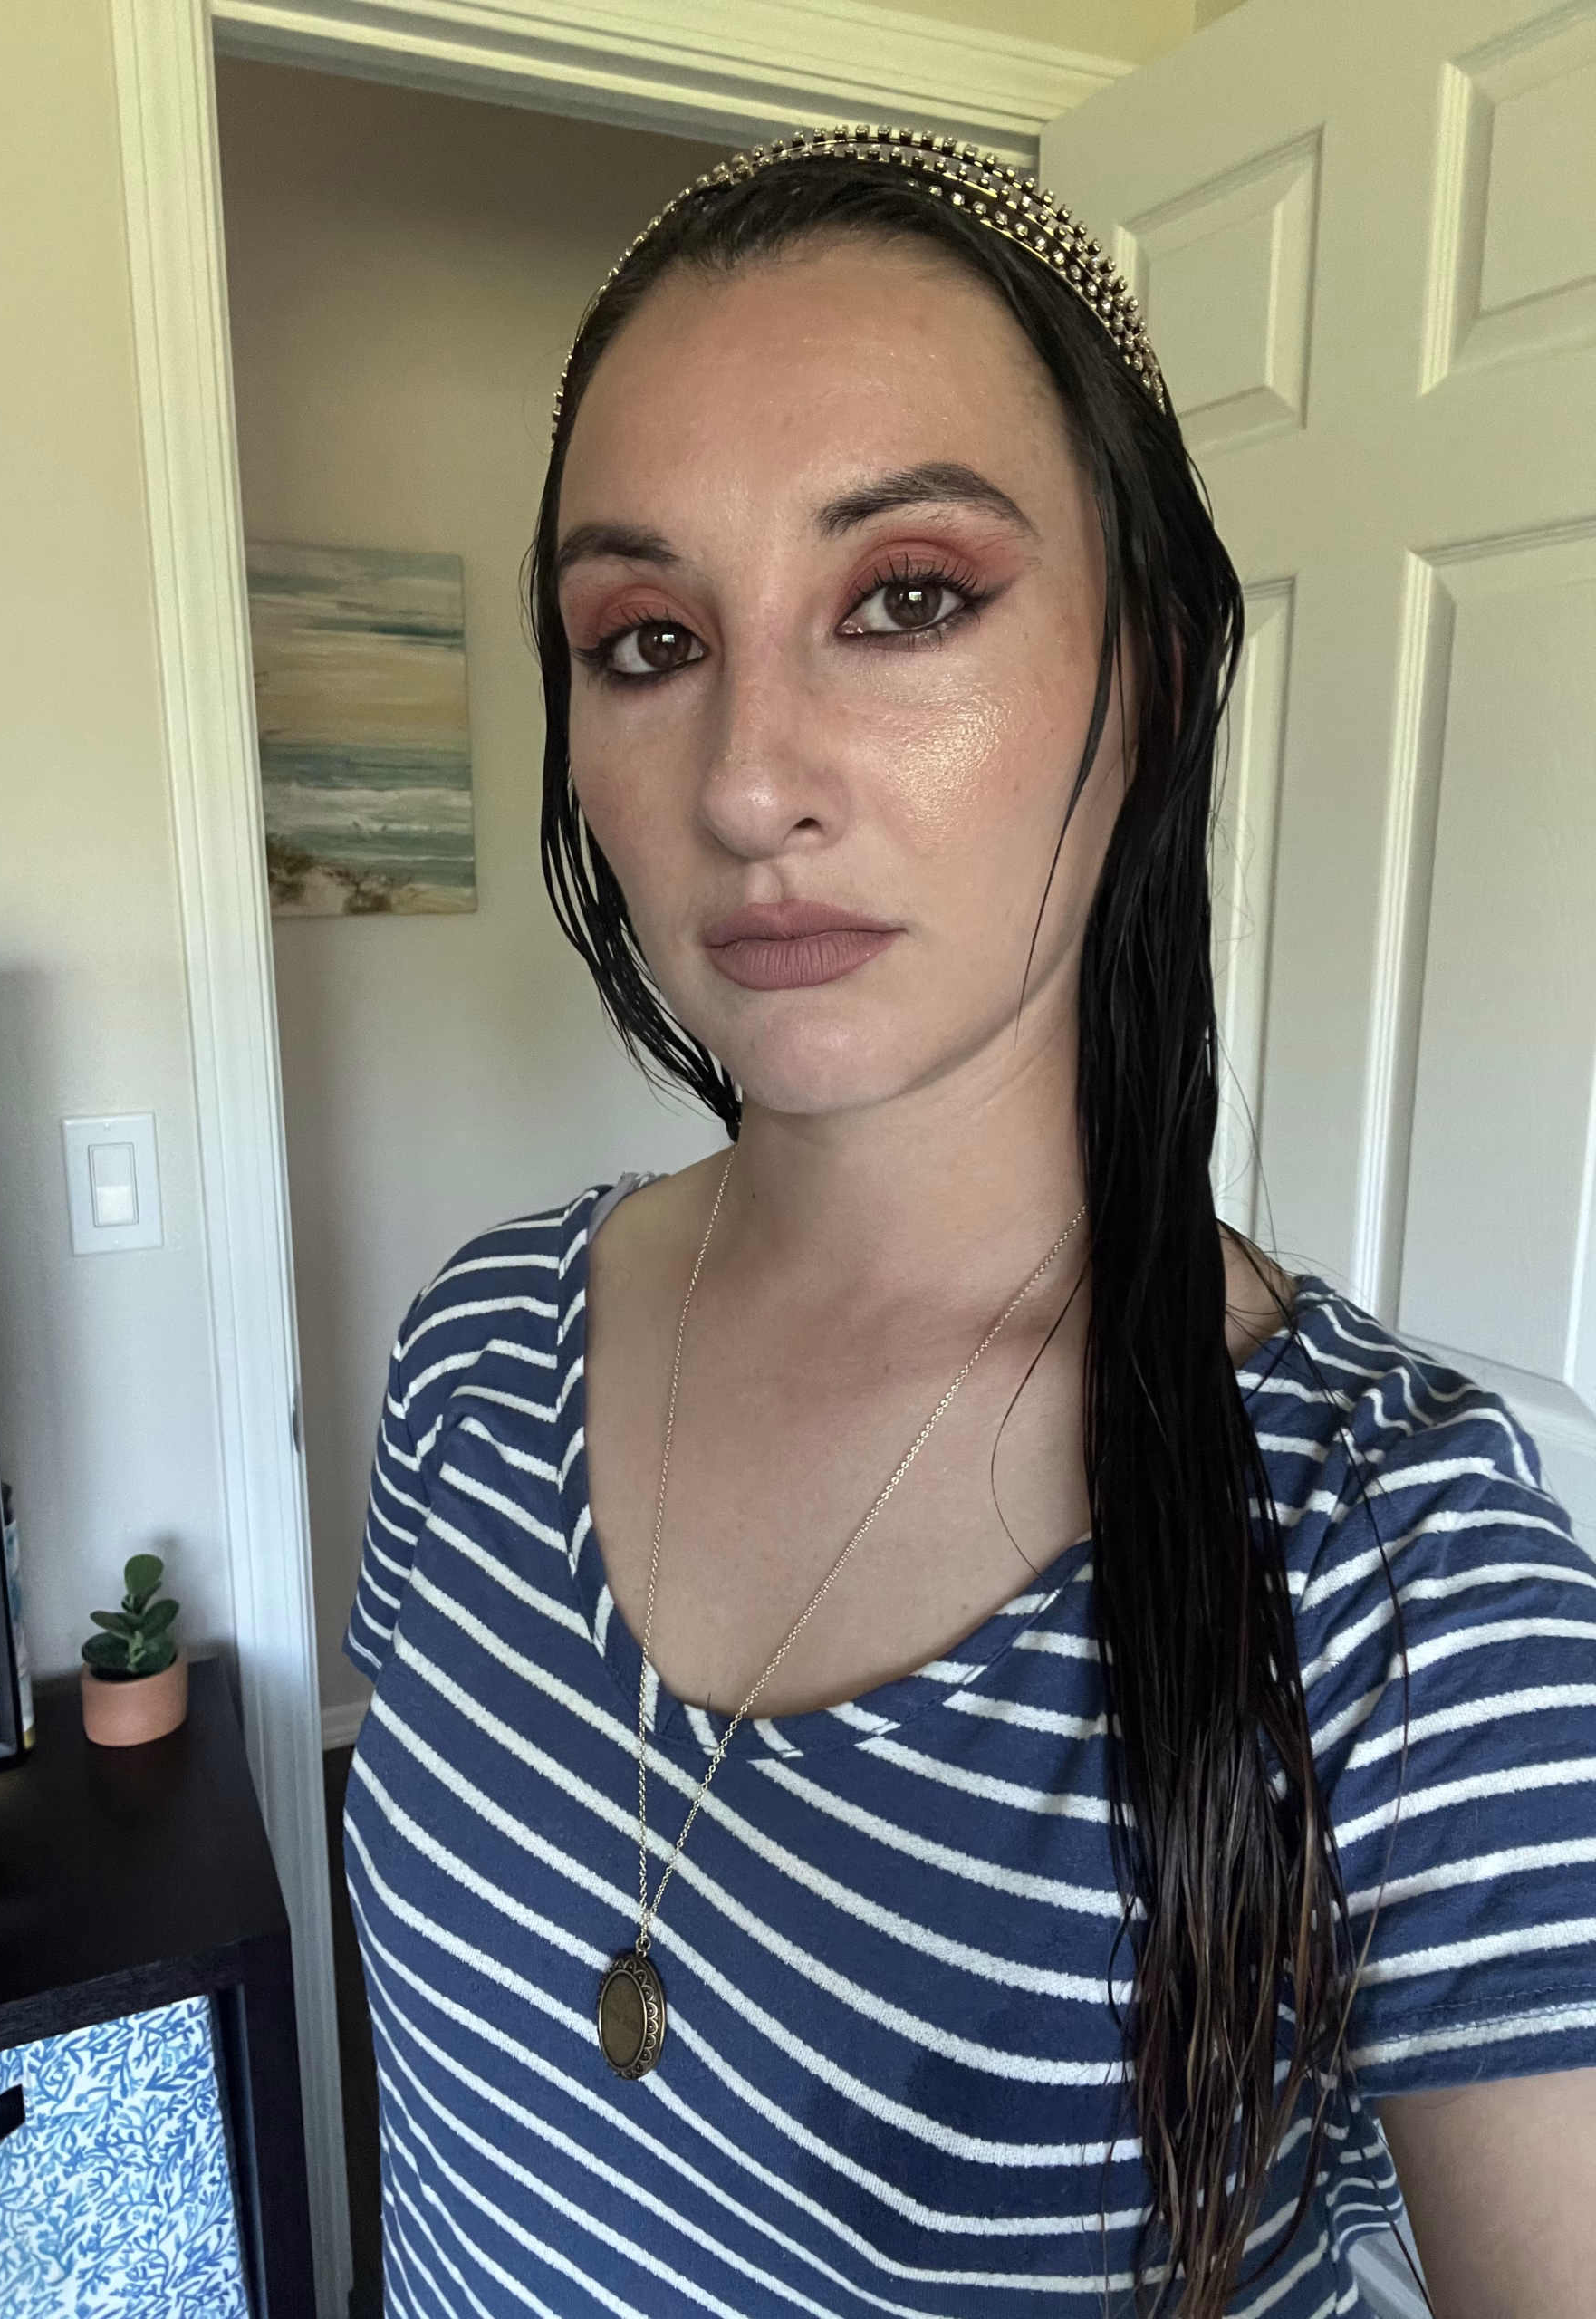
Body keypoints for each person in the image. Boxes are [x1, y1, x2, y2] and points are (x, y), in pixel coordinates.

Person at [341, 129, 1596, 2318]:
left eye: (907, 597)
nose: (748, 778)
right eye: (648, 639)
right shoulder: (472, 1355)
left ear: (1158, 667)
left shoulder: (1406, 1582)